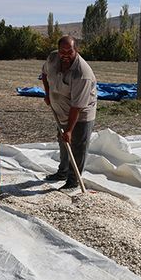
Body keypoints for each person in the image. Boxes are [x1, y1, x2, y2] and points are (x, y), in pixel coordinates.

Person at [41, 35, 97, 190]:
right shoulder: (53, 58)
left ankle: (73, 181)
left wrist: (70, 130)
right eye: (62, 51)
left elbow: (77, 106)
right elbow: (44, 74)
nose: (65, 54)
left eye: (69, 51)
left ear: (76, 50)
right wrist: (47, 94)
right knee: (63, 141)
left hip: (81, 112)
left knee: (77, 145)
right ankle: (63, 172)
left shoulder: (82, 73)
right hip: (61, 109)